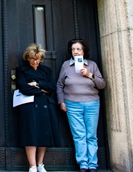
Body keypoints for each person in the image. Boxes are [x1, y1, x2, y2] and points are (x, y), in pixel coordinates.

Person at [56, 39, 106, 172]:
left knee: (91, 135)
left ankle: (93, 164)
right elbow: (60, 85)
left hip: (92, 103)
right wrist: (61, 101)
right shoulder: (66, 65)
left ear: (84, 51)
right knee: (79, 135)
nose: (76, 52)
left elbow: (102, 84)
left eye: (78, 49)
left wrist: (90, 75)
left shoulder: (92, 65)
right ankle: (83, 163)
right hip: (72, 104)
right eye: (73, 49)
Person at [16, 43, 60, 172]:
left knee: (43, 134)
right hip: (29, 106)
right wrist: (42, 90)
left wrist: (37, 84)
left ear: (41, 59)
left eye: (37, 59)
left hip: (44, 105)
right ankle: (32, 166)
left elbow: (51, 87)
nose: (34, 61)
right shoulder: (21, 70)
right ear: (27, 58)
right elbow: (23, 87)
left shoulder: (46, 70)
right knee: (30, 134)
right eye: (32, 59)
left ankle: (40, 164)